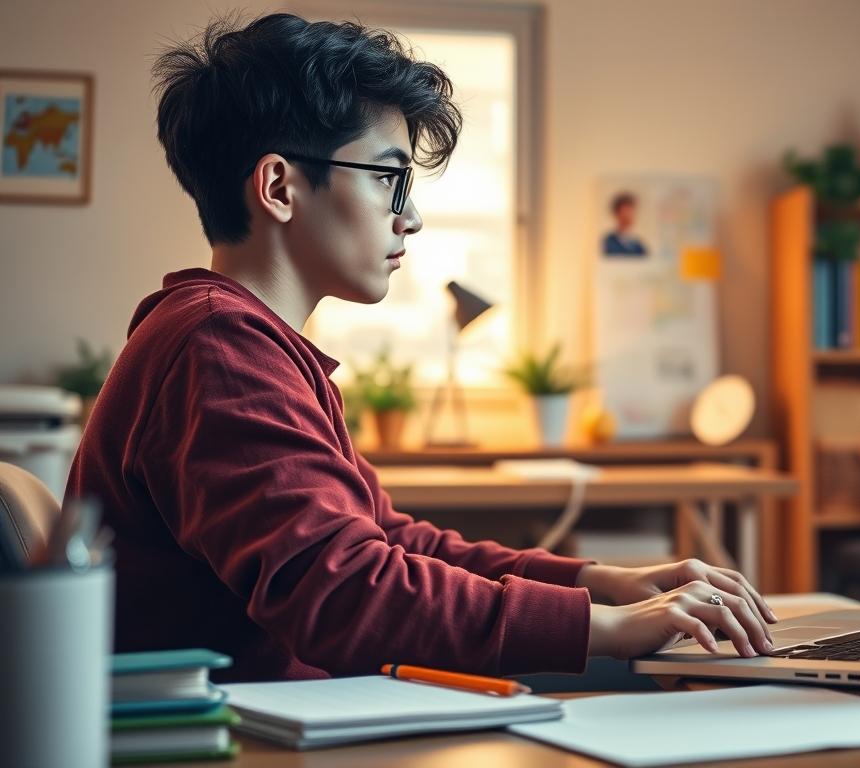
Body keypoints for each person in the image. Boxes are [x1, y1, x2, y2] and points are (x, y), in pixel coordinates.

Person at [65, 12, 774, 683]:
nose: (413, 216)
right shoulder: (218, 347)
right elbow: (347, 594)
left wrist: (598, 582)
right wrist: (610, 628)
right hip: (250, 737)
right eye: (388, 178)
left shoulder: (244, 341)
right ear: (279, 186)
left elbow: (391, 542)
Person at [601, 191, 648, 256]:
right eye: (625, 212)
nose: (629, 216)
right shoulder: (609, 242)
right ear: (617, 214)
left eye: (631, 211)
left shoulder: (638, 245)